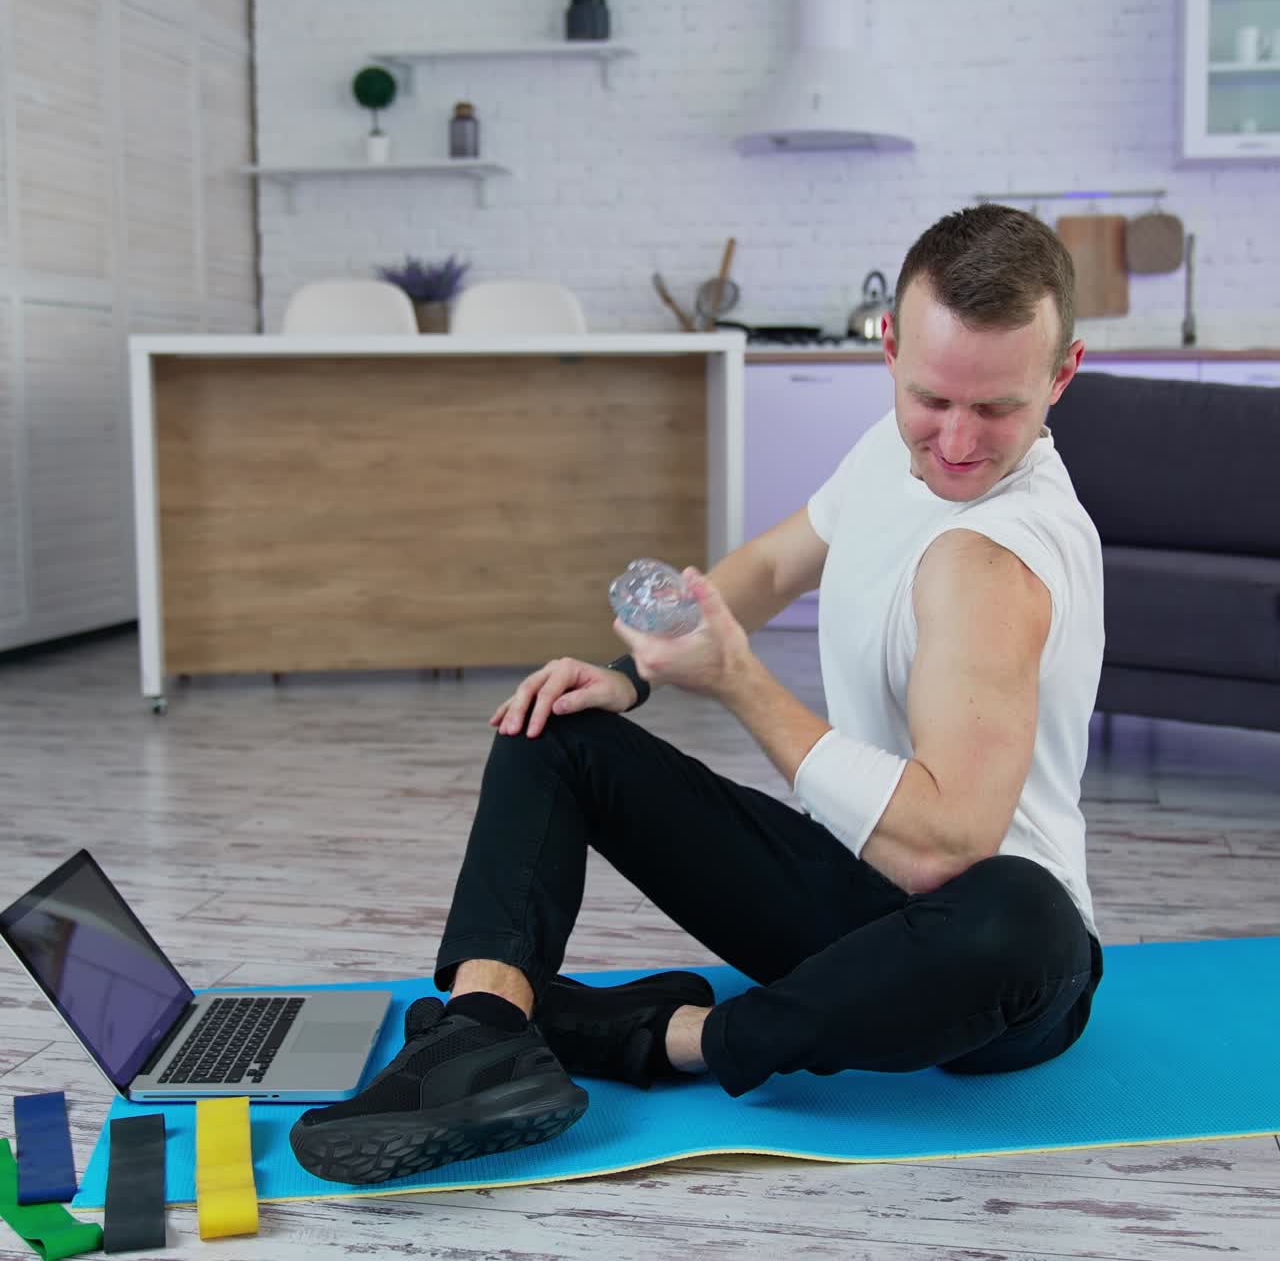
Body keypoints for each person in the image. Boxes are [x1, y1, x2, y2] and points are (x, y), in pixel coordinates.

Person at [290, 203, 1107, 1187]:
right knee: (556, 724)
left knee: (1022, 910)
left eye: (996, 408)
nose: (956, 440)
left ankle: (662, 1035)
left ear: (1060, 374)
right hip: (848, 901)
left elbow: (944, 849)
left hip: (986, 974)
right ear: (887, 346)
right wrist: (630, 674)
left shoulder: (999, 557)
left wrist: (736, 680)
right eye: (932, 398)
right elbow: (769, 565)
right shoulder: (889, 454)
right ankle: (480, 1034)